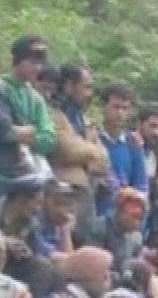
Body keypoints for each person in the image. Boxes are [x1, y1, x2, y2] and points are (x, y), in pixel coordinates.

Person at [0, 34, 56, 201]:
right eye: (32, 62)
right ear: (17, 60)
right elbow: (1, 130)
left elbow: (49, 139)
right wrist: (30, 132)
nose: (37, 68)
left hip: (28, 174)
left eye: (40, 63)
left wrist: (28, 135)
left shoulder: (35, 98)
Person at [47, 62, 107, 231]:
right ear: (68, 86)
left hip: (86, 192)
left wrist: (86, 152)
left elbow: (104, 161)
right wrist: (91, 151)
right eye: (86, 87)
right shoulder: (53, 114)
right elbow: (66, 151)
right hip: (62, 193)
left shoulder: (84, 121)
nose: (89, 94)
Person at [91, 82, 144, 221]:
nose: (120, 113)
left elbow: (141, 185)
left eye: (125, 108)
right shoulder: (92, 138)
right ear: (103, 107)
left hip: (126, 218)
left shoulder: (133, 143)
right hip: (97, 216)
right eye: (115, 107)